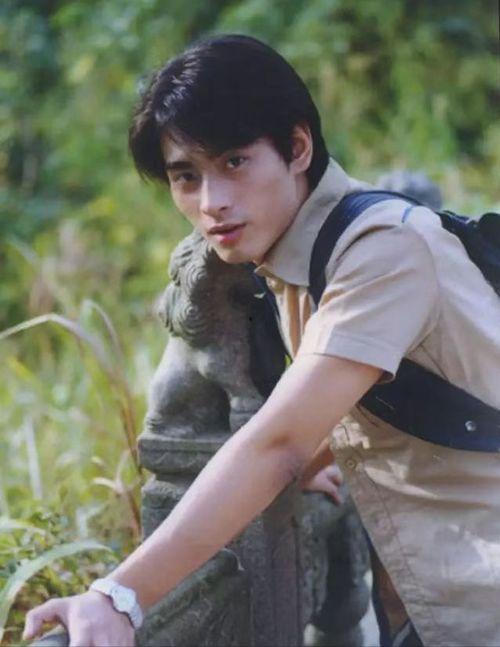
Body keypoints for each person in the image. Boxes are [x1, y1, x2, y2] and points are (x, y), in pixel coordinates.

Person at [23, 34, 500, 647]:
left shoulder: (383, 249)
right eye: (186, 176)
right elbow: (348, 398)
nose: (212, 204)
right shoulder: (299, 255)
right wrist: (320, 461)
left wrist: (119, 595)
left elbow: (277, 444)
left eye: (235, 163)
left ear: (297, 148)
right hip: (436, 599)